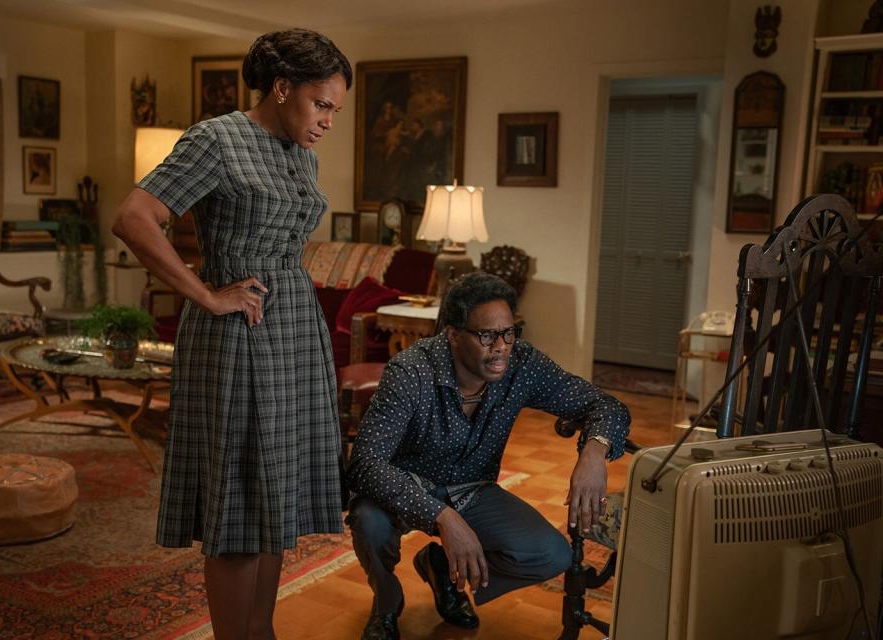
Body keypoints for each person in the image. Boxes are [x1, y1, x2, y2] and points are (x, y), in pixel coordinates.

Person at [111, 29, 351, 640]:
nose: (328, 121)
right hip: (239, 333)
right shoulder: (216, 140)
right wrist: (205, 293)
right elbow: (134, 218)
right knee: (242, 495)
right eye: (321, 104)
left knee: (278, 492)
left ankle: (260, 631)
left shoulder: (303, 153)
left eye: (335, 111)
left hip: (296, 328)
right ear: (281, 87)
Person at [345, 272, 630, 640]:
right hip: (405, 485)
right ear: (452, 335)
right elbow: (365, 464)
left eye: (509, 332)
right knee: (369, 522)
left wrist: (594, 451)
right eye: (486, 335)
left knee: (551, 555)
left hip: (472, 488)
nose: (501, 346)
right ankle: (386, 603)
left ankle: (442, 569)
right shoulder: (410, 371)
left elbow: (606, 404)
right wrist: (442, 517)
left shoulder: (520, 364)